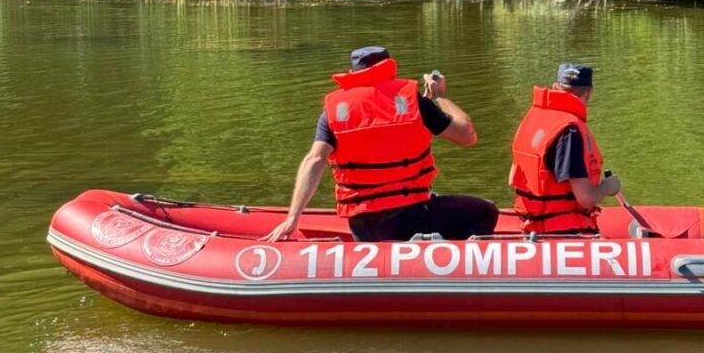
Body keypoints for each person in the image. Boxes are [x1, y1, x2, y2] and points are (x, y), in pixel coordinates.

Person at [264, 46, 499, 242]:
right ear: (388, 67)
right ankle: (449, 274)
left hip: (362, 225)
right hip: (409, 216)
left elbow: (314, 160)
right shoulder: (412, 101)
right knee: (484, 211)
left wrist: (293, 217)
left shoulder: (335, 111)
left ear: (352, 73)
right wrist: (440, 97)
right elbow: (467, 135)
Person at [509, 63, 621, 235]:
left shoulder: (534, 119)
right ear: (589, 92)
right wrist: (608, 187)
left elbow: (512, 180)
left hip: (531, 229)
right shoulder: (570, 131)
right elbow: (586, 199)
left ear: (555, 87)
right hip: (563, 233)